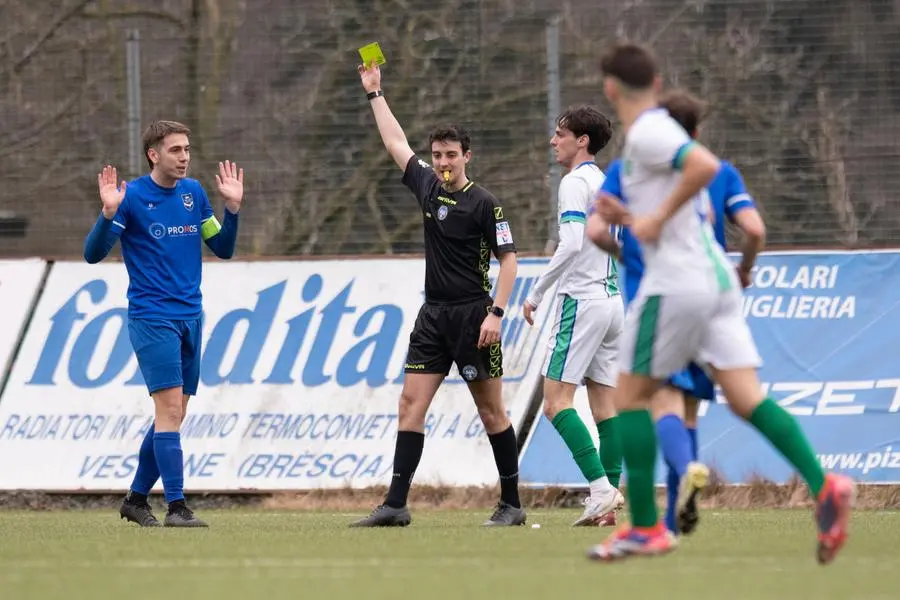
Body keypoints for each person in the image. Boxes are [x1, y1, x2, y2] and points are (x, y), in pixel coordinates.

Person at [585, 42, 854, 563]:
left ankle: (645, 528)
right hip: (717, 281)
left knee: (630, 398)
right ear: (657, 83)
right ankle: (825, 487)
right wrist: (633, 216)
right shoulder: (651, 138)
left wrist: (656, 219)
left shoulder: (647, 129)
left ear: (610, 89)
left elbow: (702, 165)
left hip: (675, 284)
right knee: (746, 398)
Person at [350, 62, 524, 527]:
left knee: (491, 412)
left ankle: (511, 504)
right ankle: (396, 505)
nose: (443, 163)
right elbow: (394, 143)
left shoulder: (485, 203)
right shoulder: (427, 186)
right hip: (433, 318)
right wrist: (375, 93)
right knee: (410, 405)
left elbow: (509, 261)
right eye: (438, 155)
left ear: (468, 156)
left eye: (451, 155)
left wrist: (497, 313)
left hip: (474, 318)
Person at [83, 120, 243, 528]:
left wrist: (233, 209)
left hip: (192, 316)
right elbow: (92, 254)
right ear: (154, 154)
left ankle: (136, 500)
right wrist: (107, 214)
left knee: (173, 415)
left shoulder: (193, 193)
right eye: (175, 150)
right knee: (169, 410)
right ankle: (177, 507)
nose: (185, 156)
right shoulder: (132, 197)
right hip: (153, 317)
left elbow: (221, 248)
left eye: (187, 148)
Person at [521, 105, 624, 527]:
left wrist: (537, 292)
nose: (553, 140)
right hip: (612, 302)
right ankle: (607, 507)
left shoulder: (574, 183)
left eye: (560, 133)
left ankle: (600, 490)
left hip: (580, 301)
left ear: (582, 140)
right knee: (605, 407)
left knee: (555, 403)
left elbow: (571, 243)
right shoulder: (605, 183)